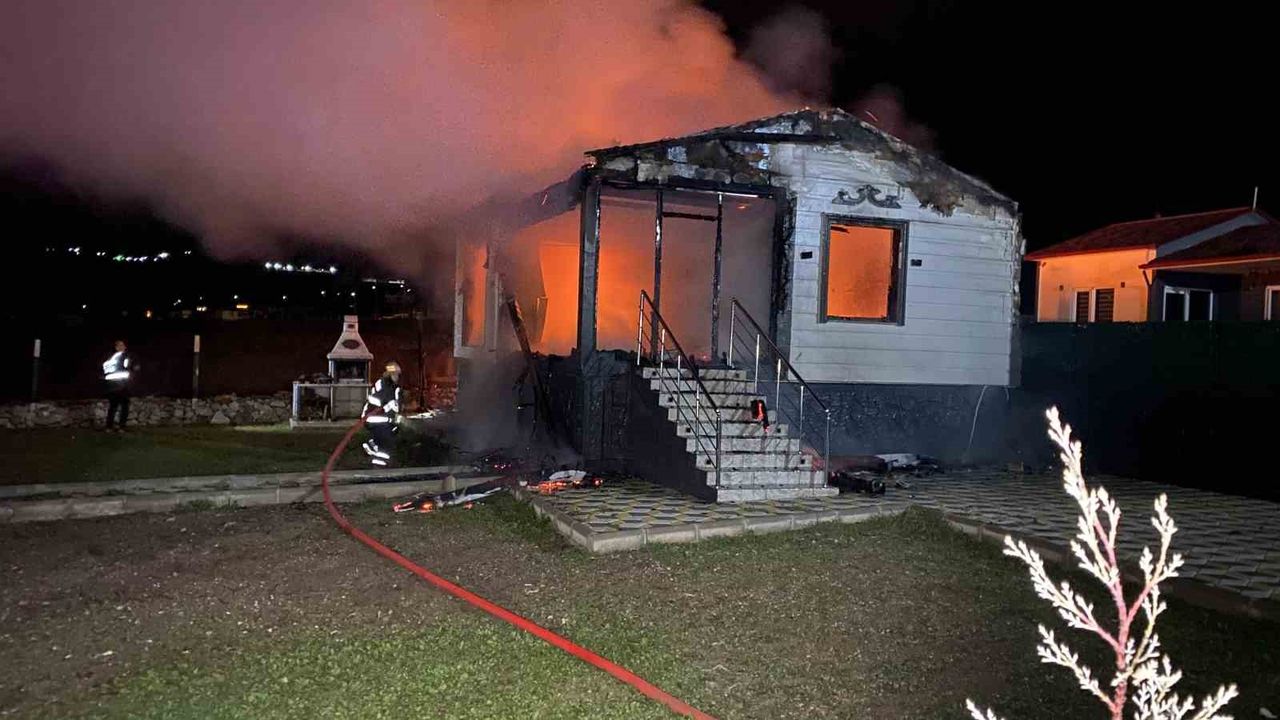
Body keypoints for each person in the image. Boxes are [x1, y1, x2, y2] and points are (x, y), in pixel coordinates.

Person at [362, 361, 402, 467]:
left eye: (398, 375)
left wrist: (395, 423)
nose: (397, 377)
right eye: (395, 374)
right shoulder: (385, 386)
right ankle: (379, 464)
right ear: (390, 374)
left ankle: (372, 445)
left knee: (383, 443)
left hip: (378, 420)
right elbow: (387, 404)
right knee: (386, 446)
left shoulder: (388, 385)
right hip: (378, 420)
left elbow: (394, 407)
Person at [101, 339, 134, 432]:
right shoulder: (124, 356)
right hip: (121, 385)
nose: (124, 347)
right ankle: (121, 427)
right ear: (116, 347)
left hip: (111, 386)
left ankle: (109, 427)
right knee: (124, 406)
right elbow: (127, 366)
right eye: (121, 345)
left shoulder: (109, 359)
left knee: (113, 407)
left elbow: (105, 371)